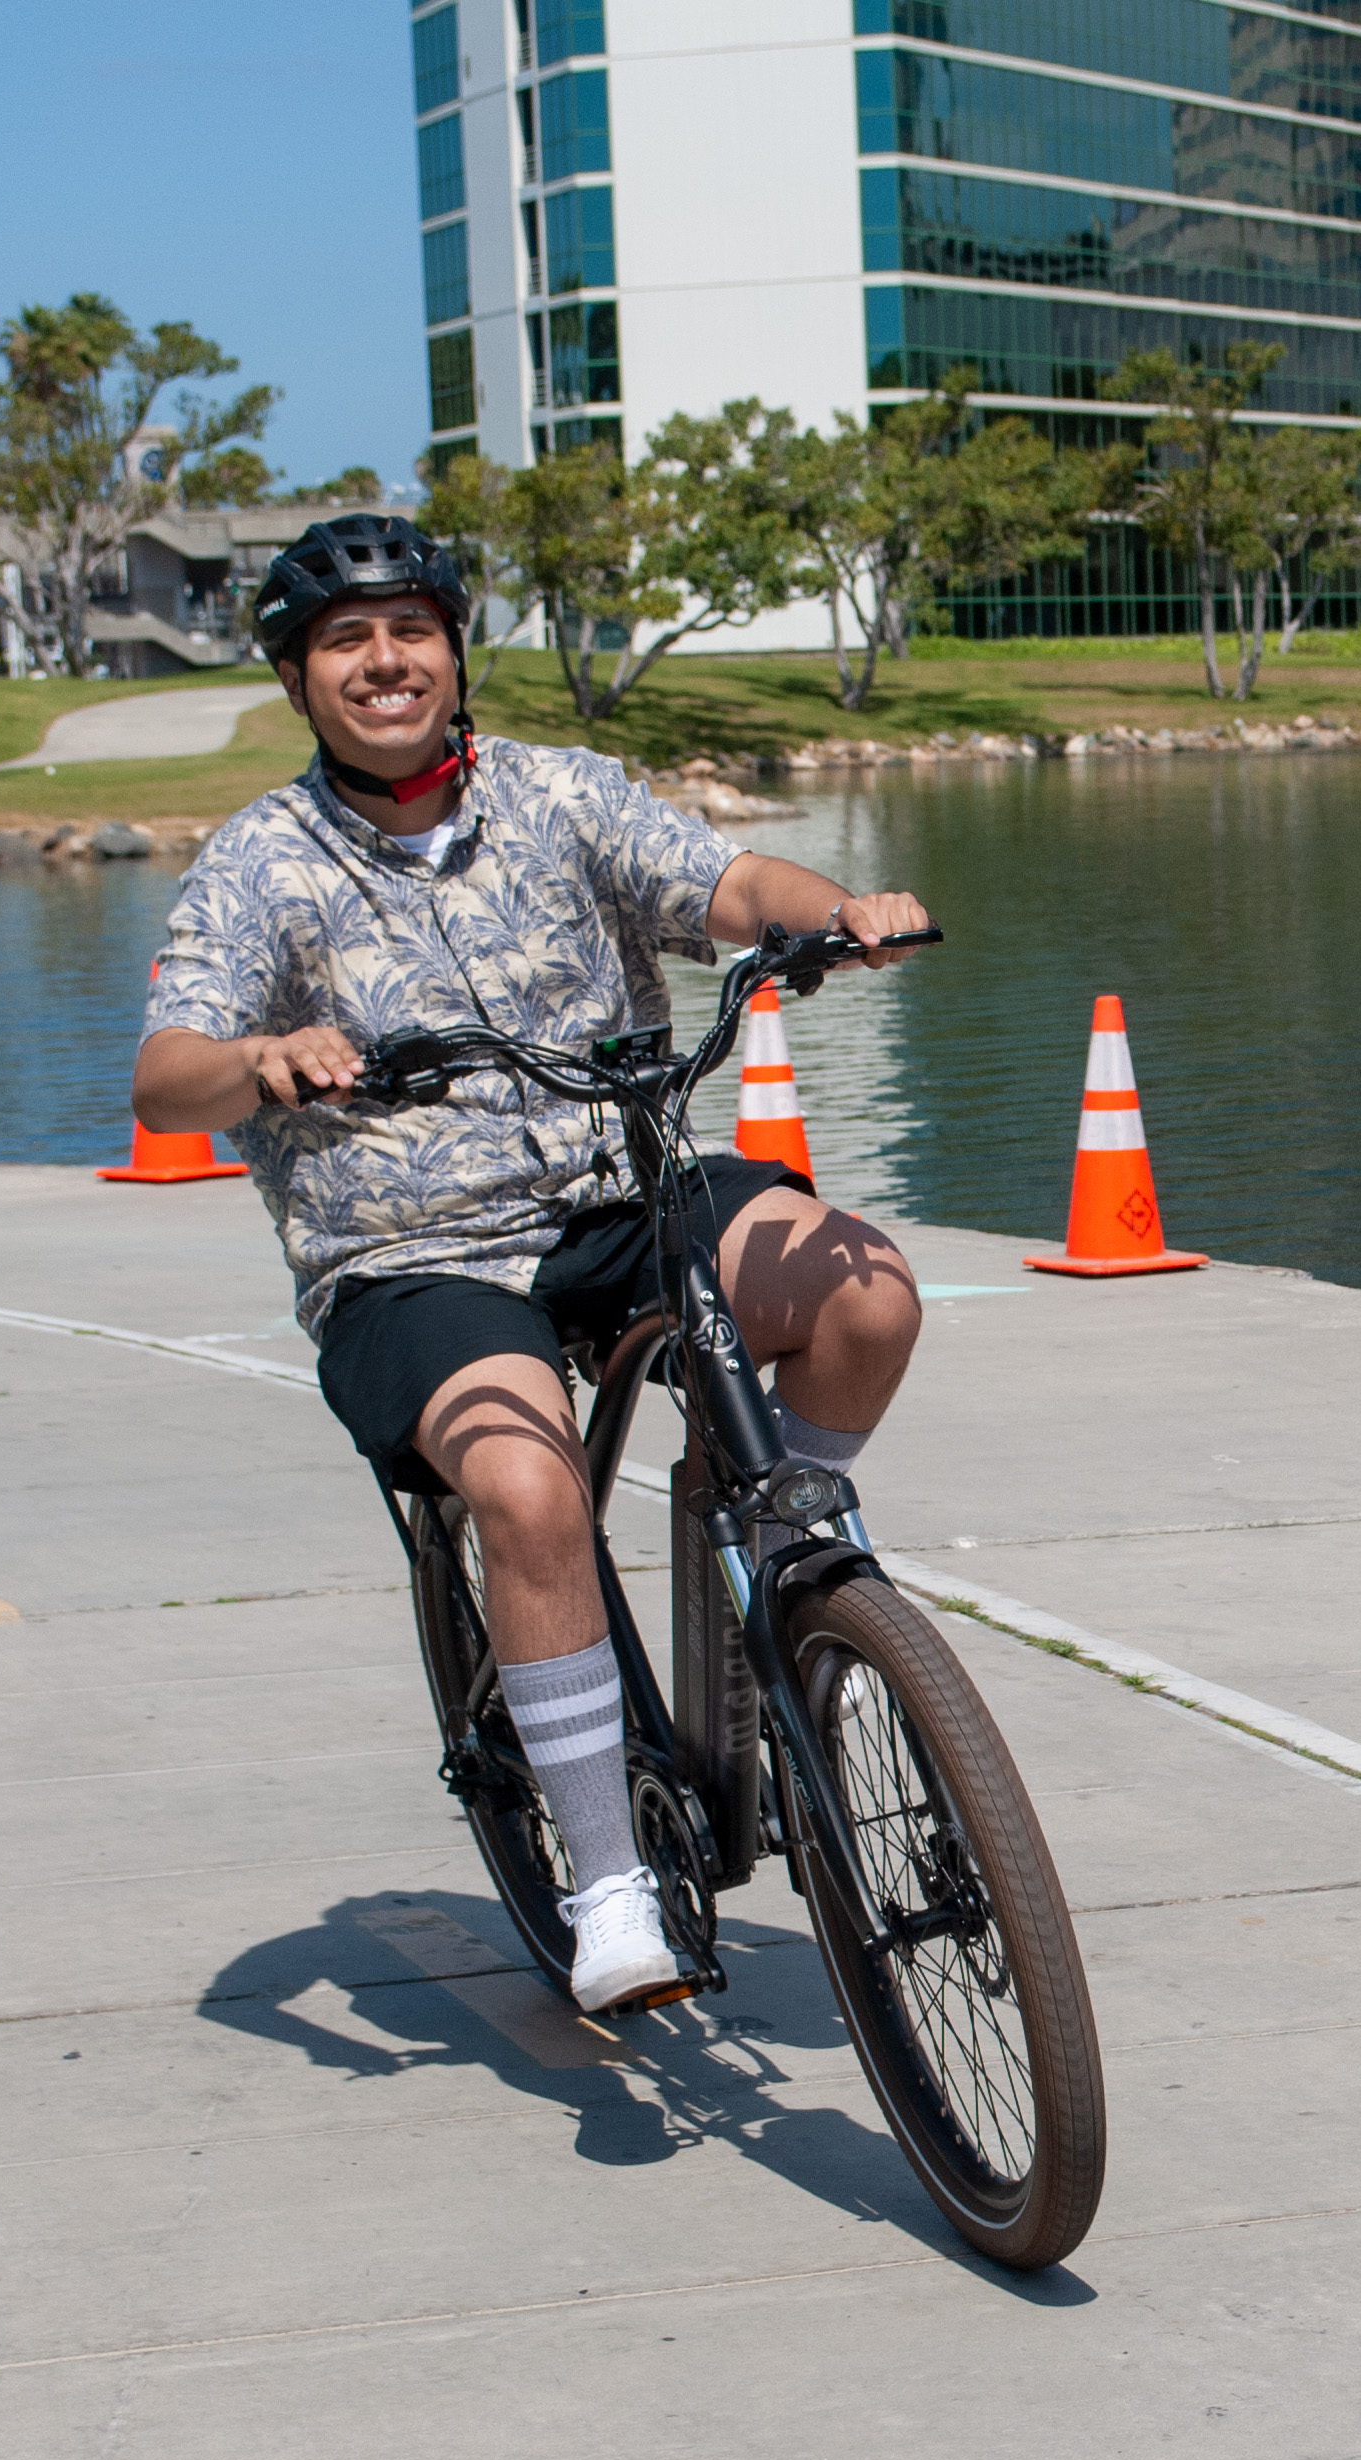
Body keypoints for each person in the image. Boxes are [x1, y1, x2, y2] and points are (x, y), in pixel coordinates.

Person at [132, 513, 934, 2014]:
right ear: (302, 679)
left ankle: (762, 1546)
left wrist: (839, 919)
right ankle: (609, 1882)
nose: (386, 662)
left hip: (611, 1187)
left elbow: (722, 884)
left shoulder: (557, 795)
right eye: (345, 642)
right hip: (409, 1254)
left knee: (865, 1292)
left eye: (411, 629)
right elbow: (165, 1074)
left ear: (452, 649)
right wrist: (260, 1055)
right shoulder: (260, 862)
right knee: (526, 1485)